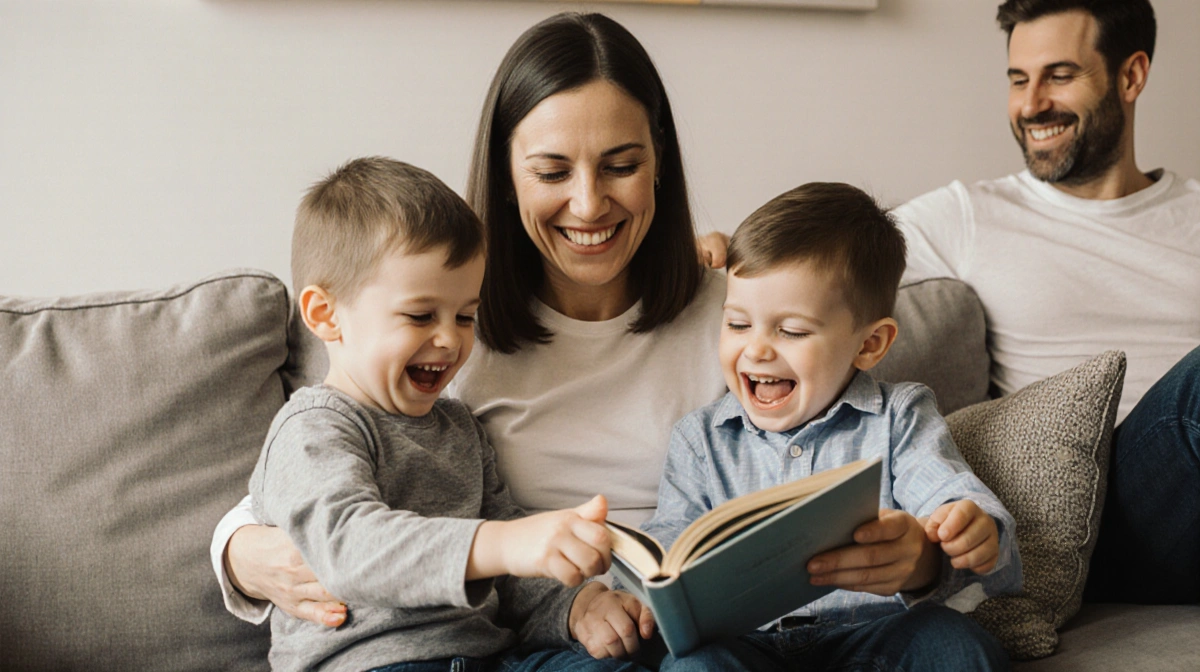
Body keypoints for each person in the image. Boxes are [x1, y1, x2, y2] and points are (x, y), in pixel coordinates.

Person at [211, 12, 724, 658]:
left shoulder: (737, 314)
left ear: (660, 164)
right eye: (552, 172)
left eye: (621, 165)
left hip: (648, 633)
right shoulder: (443, 333)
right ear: (508, 178)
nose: (590, 204)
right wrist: (237, 551)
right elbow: (304, 486)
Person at [248, 156, 655, 671]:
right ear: (325, 315)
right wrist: (504, 543)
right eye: (420, 316)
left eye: (465, 316)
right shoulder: (313, 429)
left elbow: (513, 579)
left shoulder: (460, 427)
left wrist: (577, 606)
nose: (449, 339)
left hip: (489, 658)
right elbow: (349, 546)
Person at [892, 0, 1199, 604]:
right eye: (1017, 79)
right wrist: (722, 253)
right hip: (1098, 521)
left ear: (1131, 76)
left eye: (1059, 75)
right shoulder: (970, 215)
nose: (1031, 104)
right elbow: (827, 256)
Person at [640, 182, 1020, 671]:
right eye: (737, 324)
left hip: (871, 633)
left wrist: (968, 531)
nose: (756, 350)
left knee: (954, 644)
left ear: (870, 344)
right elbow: (668, 543)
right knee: (694, 666)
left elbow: (951, 497)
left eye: (791, 331)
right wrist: (648, 589)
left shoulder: (899, 417)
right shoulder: (700, 440)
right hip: (745, 647)